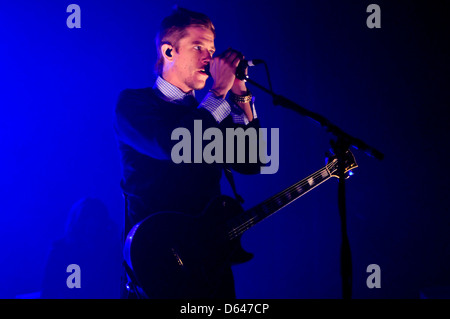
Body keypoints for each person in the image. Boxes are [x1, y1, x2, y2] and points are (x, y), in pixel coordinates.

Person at [113, 6, 263, 299]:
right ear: (169, 52)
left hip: (209, 265)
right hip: (156, 263)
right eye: (198, 47)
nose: (210, 58)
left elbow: (251, 162)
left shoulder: (210, 111)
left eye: (212, 49)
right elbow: (172, 146)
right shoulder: (134, 104)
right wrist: (219, 93)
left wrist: (241, 95)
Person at [40, 197, 122, 299]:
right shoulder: (60, 250)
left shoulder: (113, 250)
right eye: (86, 219)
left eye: (96, 219)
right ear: (76, 222)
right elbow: (49, 290)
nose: (92, 224)